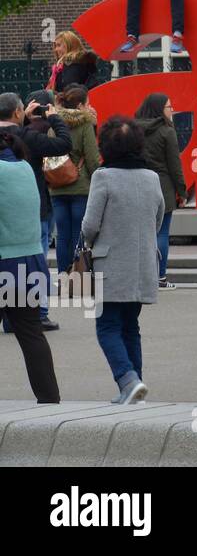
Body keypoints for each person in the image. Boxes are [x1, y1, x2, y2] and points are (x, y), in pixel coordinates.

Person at [83, 116, 165, 404]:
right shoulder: (152, 177)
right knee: (131, 326)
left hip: (110, 265)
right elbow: (158, 219)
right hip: (142, 265)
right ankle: (134, 384)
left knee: (106, 326)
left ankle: (127, 380)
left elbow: (89, 226)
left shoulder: (103, 177)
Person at [0, 91, 71, 330]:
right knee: (35, 259)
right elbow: (63, 144)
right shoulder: (25, 136)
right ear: (18, 111)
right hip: (33, 207)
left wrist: (27, 119)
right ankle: (37, 313)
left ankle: (9, 316)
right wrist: (54, 118)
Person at [0, 126, 60, 403]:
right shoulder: (24, 167)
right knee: (31, 334)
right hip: (31, 262)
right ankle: (50, 400)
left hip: (4, 263)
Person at [135, 93, 186, 290]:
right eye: (169, 107)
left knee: (141, 233)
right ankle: (160, 277)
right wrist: (182, 191)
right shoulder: (167, 131)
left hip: (138, 185)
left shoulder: (134, 128)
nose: (172, 110)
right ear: (159, 109)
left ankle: (142, 276)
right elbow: (175, 165)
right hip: (162, 186)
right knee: (162, 233)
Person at [49, 85, 100, 277]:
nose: (89, 107)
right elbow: (93, 157)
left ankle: (62, 275)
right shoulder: (85, 125)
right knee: (78, 233)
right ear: (80, 105)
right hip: (80, 186)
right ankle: (77, 276)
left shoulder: (54, 123)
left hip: (57, 185)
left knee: (62, 236)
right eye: (87, 103)